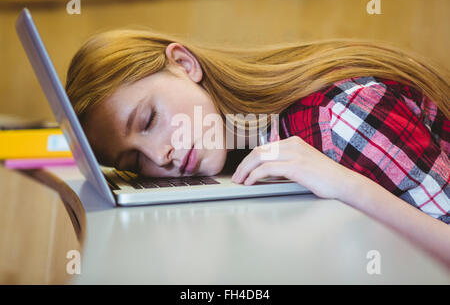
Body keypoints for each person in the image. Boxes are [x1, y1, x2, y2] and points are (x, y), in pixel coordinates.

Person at [65, 29, 450, 267]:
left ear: (184, 64)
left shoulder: (340, 119)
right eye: (133, 159)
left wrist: (349, 187)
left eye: (148, 120)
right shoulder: (245, 140)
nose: (158, 156)